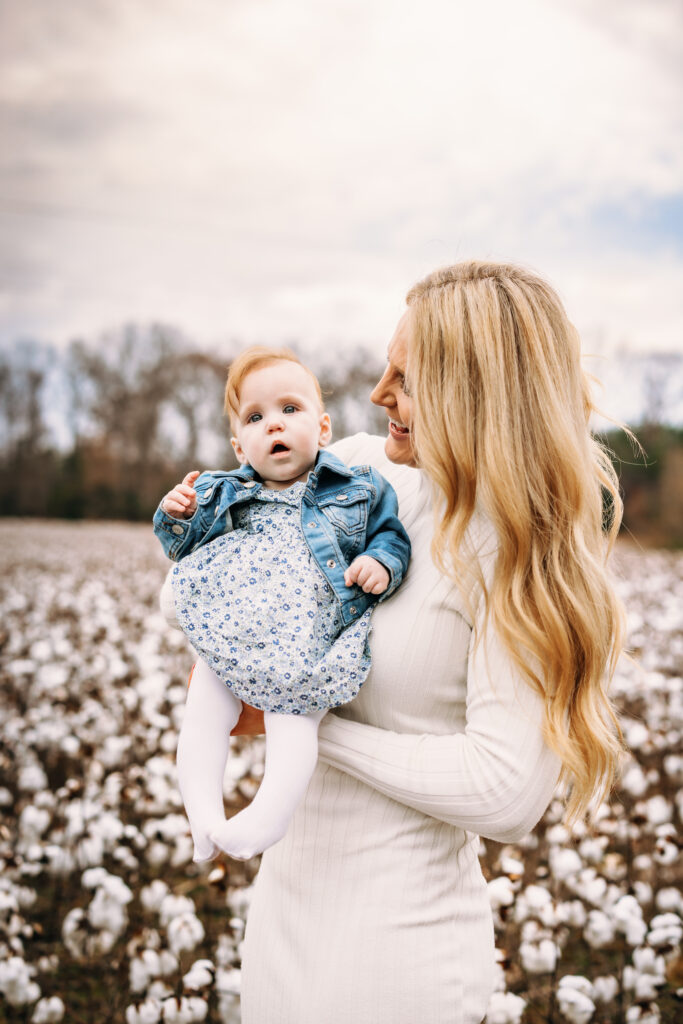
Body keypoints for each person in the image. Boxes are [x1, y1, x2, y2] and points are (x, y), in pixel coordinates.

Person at [236, 262, 625, 1024]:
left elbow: (502, 791)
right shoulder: (353, 468)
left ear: (476, 394)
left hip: (395, 957)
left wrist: (302, 724)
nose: (379, 393)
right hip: (282, 917)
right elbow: (221, 569)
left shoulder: (514, 550)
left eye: (406, 379)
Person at [153, 347, 411, 862]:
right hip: (234, 626)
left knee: (294, 721)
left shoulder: (358, 487)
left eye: (289, 410)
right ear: (239, 445)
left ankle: (267, 817)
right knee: (203, 709)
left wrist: (381, 565)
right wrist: (175, 514)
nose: (274, 425)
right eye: (255, 417)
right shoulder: (224, 491)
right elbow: (183, 545)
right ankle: (202, 815)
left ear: (322, 428)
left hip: (307, 635)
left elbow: (391, 537)